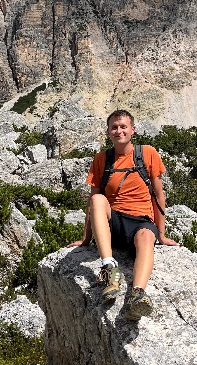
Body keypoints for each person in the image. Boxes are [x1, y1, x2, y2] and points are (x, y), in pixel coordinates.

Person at [69, 109, 179, 321]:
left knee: (146, 237)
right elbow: (92, 202)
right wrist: (86, 238)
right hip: (115, 222)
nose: (119, 131)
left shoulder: (147, 153)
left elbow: (159, 196)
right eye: (114, 127)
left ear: (132, 130)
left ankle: (137, 294)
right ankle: (109, 267)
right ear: (108, 132)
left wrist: (162, 235)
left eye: (123, 127)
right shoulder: (101, 159)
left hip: (141, 222)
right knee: (97, 199)